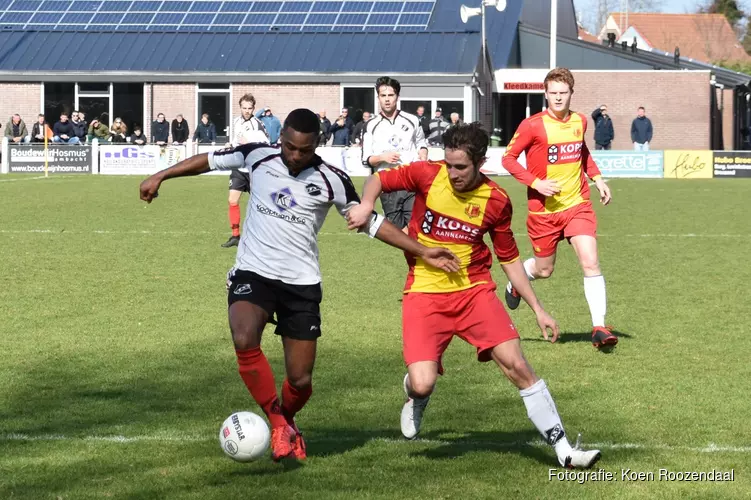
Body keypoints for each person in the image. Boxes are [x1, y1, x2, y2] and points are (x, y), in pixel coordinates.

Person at [139, 108, 460, 462]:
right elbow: (209, 160)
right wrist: (162, 175)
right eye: (289, 147)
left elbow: (369, 222)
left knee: (301, 381)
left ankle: (288, 421)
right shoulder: (256, 156)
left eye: (303, 150)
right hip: (254, 272)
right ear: (281, 140)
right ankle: (279, 424)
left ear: (316, 145)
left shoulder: (332, 179)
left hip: (301, 284)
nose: (294, 155)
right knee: (244, 337)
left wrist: (422, 251)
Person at [346, 122, 601, 470]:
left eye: (461, 167)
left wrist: (538, 309)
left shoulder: (496, 201)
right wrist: (366, 203)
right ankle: (416, 396)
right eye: (448, 164)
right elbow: (381, 179)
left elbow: (509, 259)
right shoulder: (426, 174)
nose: (452, 173)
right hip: (424, 292)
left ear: (480, 162)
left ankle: (565, 451)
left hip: (474, 292)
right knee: (422, 382)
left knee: (518, 366)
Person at [501, 68, 616, 349]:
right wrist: (536, 183)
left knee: (590, 261)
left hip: (577, 205)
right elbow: (508, 159)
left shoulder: (581, 121)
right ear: (546, 94)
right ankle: (517, 283)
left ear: (571, 93)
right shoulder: (532, 125)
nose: (558, 98)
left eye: (563, 93)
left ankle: (599, 327)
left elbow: (582, 152)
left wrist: (597, 179)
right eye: (552, 93)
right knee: (544, 270)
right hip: (544, 212)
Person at [361, 76, 428, 231]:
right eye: (383, 96)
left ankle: (424, 253)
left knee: (417, 228)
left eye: (390, 95)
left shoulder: (411, 120)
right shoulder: (370, 125)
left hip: (411, 181)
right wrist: (382, 158)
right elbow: (366, 160)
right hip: (387, 185)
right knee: (400, 234)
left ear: (397, 96)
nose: (387, 100)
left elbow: (421, 143)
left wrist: (423, 153)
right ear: (378, 97)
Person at [223, 93, 270, 248]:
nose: (247, 111)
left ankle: (265, 237)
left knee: (261, 205)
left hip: (253, 169)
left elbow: (267, 143)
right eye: (244, 108)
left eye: (250, 108)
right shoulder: (236, 122)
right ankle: (236, 236)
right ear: (240, 107)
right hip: (238, 169)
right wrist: (230, 146)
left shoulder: (257, 124)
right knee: (232, 200)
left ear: (254, 108)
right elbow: (235, 141)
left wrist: (249, 141)